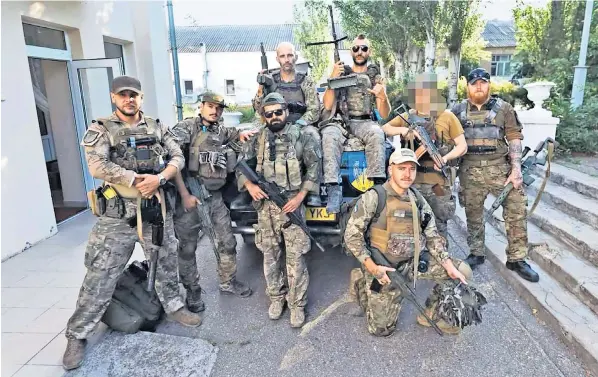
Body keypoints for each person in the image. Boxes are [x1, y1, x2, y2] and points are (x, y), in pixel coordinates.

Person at [62, 76, 201, 370]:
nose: (129, 100)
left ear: (140, 97)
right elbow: (97, 165)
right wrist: (137, 180)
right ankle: (77, 334)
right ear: (114, 97)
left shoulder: (156, 126)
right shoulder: (101, 130)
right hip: (117, 214)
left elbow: (176, 154)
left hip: (154, 208)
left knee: (166, 260)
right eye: (123, 95)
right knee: (100, 274)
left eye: (134, 95)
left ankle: (174, 306)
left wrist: (160, 178)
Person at [344, 148, 472, 337]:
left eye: (411, 169)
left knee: (461, 271)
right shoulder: (374, 197)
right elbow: (352, 236)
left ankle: (432, 313)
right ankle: (361, 280)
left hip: (412, 263)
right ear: (390, 169)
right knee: (382, 330)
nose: (407, 174)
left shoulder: (417, 199)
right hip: (383, 267)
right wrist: (372, 268)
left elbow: (432, 236)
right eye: (401, 168)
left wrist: (448, 265)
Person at [237, 93, 319, 328]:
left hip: (292, 204)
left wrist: (301, 197)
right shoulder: (258, 138)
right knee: (270, 256)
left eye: (278, 112)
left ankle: (297, 304)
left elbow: (314, 168)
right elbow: (241, 165)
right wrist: (250, 185)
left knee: (296, 258)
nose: (274, 117)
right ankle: (276, 299)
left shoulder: (301, 136)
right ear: (263, 116)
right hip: (266, 209)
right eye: (269, 114)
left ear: (286, 112)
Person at [450, 68, 539, 282]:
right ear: (467, 85)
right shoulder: (456, 111)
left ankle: (517, 258)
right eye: (474, 82)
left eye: (483, 82)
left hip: (501, 170)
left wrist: (516, 168)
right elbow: (449, 141)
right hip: (469, 171)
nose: (478, 86)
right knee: (473, 214)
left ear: (489, 84)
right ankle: (476, 252)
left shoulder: (504, 109)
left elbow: (514, 138)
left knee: (517, 208)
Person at [171, 92, 256, 312]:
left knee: (227, 241)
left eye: (219, 108)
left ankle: (228, 282)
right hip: (191, 194)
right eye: (210, 106)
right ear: (201, 107)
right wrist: (184, 195)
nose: (214, 111)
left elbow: (236, 134)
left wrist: (244, 135)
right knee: (188, 248)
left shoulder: (220, 130)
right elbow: (173, 158)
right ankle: (192, 291)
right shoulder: (187, 127)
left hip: (215, 197)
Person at [381, 73, 468, 240]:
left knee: (439, 225)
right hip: (412, 182)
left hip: (438, 184)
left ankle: (441, 261)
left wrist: (444, 158)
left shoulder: (447, 116)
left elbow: (462, 146)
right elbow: (385, 128)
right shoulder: (407, 116)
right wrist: (403, 130)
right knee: (410, 225)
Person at [320, 34, 391, 214]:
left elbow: (384, 114)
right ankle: (333, 189)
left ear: (369, 51)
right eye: (356, 48)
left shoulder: (376, 77)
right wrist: (332, 79)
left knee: (377, 133)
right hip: (340, 121)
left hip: (364, 121)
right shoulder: (342, 72)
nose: (360, 52)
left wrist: (382, 97)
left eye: (364, 48)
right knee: (328, 136)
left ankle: (377, 187)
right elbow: (328, 105)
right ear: (351, 51)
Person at [253, 41, 323, 206]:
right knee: (253, 139)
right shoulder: (271, 80)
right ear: (277, 59)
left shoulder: (305, 80)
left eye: (290, 55)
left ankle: (314, 190)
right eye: (283, 56)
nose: (287, 59)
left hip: (300, 123)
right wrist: (261, 87)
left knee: (313, 137)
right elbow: (259, 108)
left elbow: (314, 109)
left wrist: (298, 125)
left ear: (295, 57)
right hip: (274, 122)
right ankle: (253, 186)